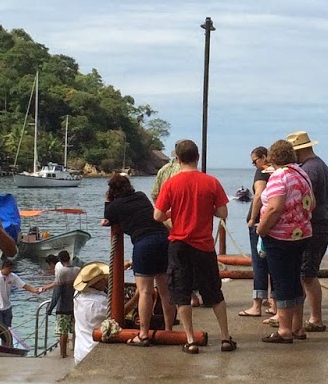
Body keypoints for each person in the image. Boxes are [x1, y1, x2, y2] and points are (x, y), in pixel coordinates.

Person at [152, 138, 235, 353]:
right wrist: (208, 209)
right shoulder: (211, 182)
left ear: (178, 160)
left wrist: (174, 213)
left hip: (179, 243)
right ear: (197, 157)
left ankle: (190, 340)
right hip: (204, 245)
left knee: (181, 292)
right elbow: (223, 212)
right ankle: (225, 337)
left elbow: (158, 215)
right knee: (214, 292)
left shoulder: (171, 184)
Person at [100, 173, 175, 345]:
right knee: (165, 291)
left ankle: (143, 333)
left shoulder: (114, 206)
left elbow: (108, 216)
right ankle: (169, 330)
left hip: (144, 243)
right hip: (164, 239)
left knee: (145, 291)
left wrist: (107, 200)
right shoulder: (141, 196)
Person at [257, 138, 314, 344]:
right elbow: (312, 203)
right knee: (295, 279)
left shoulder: (278, 176)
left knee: (281, 282)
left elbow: (275, 207)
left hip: (280, 236)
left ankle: (284, 330)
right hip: (302, 234)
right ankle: (298, 326)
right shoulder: (302, 173)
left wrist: (262, 229)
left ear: (273, 158)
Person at [287, 131, 328, 333]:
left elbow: (305, 199)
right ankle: (303, 317)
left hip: (316, 226)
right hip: (320, 224)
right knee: (305, 272)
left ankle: (315, 319)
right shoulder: (317, 165)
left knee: (307, 274)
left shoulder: (310, 170)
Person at [238, 146, 275, 319]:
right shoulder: (277, 171)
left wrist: (252, 219)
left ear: (263, 157)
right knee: (274, 263)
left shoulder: (262, 172)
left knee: (259, 262)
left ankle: (257, 304)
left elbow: (259, 195)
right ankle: (275, 303)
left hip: (260, 222)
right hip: (274, 221)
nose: (254, 165)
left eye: (255, 161)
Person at [70, 260, 112, 361]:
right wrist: (136, 297)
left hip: (80, 351)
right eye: (102, 279)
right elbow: (118, 313)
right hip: (94, 350)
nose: (105, 280)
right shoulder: (98, 302)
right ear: (97, 283)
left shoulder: (78, 294)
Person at [0, 258, 23, 329]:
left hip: (7, 306)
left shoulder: (12, 276)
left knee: (7, 328)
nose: (10, 271)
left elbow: (23, 285)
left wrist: (35, 291)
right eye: (9, 269)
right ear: (4, 267)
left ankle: (5, 340)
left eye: (11, 269)